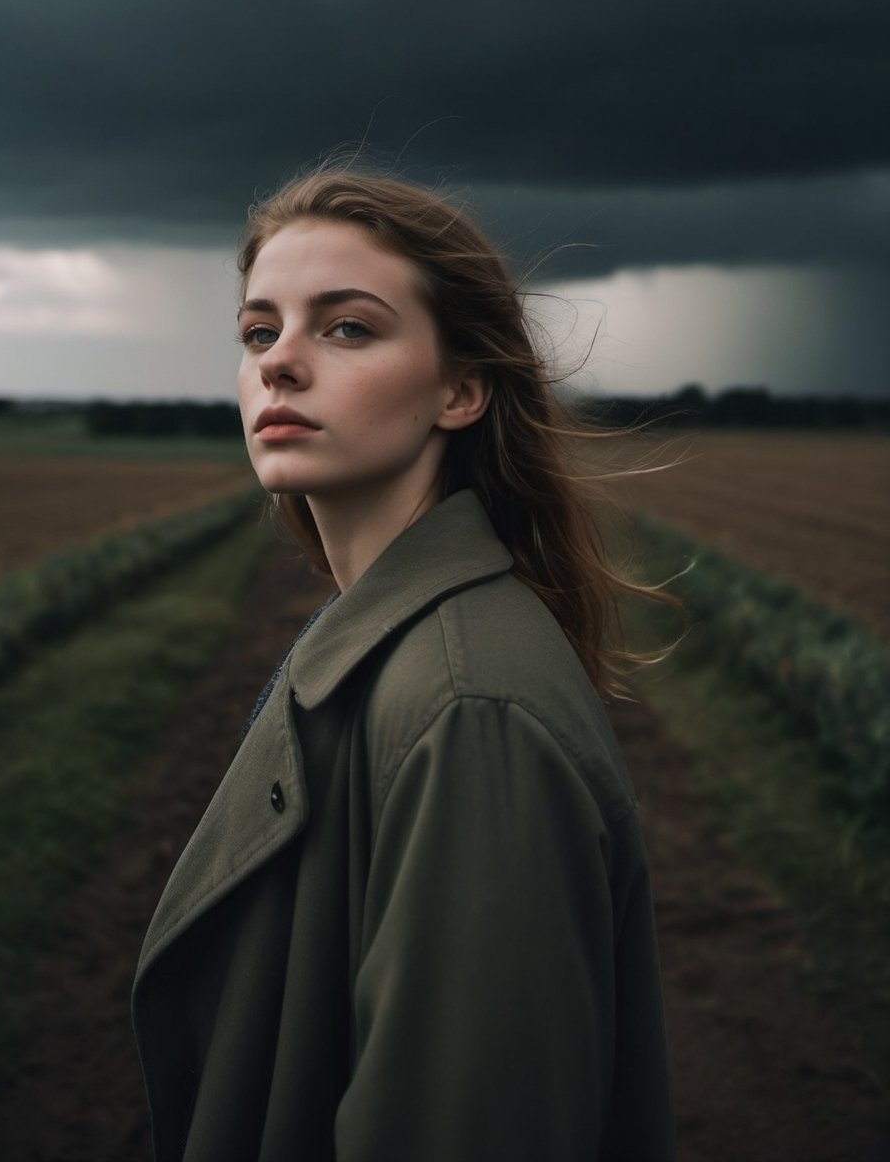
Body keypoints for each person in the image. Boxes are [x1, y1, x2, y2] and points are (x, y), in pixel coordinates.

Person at [132, 167, 676, 1162]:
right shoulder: (396, 647)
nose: (279, 365)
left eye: (347, 328)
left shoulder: (470, 711)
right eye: (259, 333)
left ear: (460, 388)